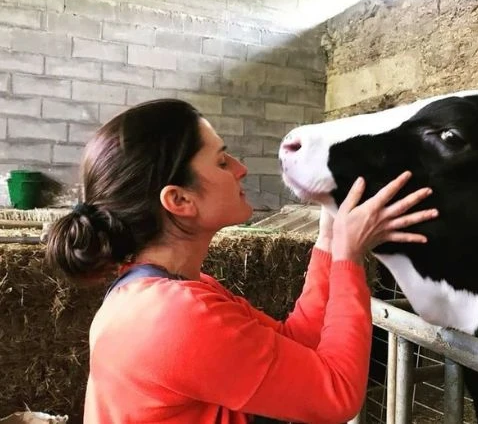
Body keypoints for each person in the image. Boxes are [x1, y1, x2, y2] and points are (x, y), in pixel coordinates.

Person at [45, 99, 438, 424]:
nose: (240, 169)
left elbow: (297, 341)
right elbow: (336, 395)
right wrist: (348, 259)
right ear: (180, 201)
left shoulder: (170, 291)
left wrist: (328, 241)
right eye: (221, 162)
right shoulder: (176, 315)